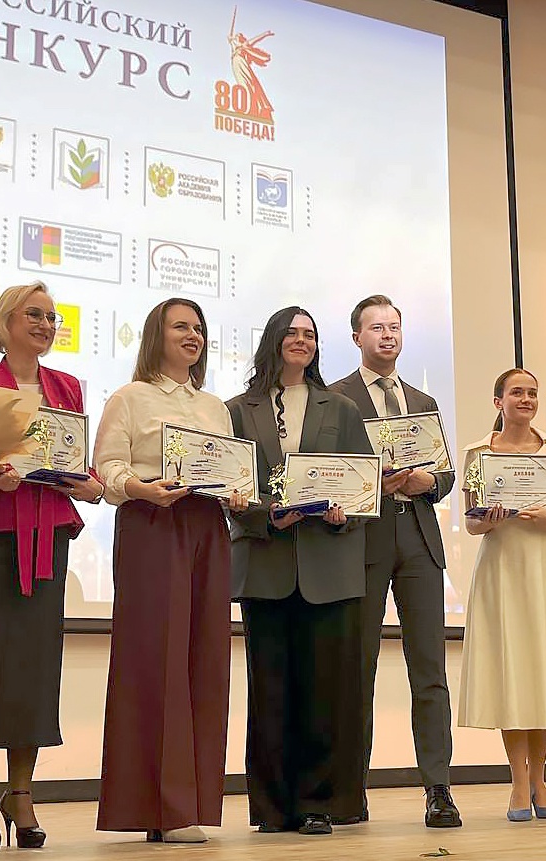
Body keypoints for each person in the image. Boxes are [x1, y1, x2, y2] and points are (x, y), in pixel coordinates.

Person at [0, 281, 105, 851]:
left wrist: (87, 482)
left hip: (48, 537)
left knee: (34, 665)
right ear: (5, 322)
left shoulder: (67, 386)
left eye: (52, 317)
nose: (45, 325)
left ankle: (22, 792)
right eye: (34, 314)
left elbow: (72, 463)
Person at [93, 298, 248, 842]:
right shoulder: (129, 397)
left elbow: (229, 468)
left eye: (199, 328)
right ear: (156, 335)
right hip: (153, 523)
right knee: (155, 658)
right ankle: (159, 808)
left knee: (206, 658)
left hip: (208, 527)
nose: (193, 335)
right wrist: (140, 487)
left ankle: (194, 804)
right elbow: (107, 469)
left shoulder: (214, 407)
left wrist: (237, 492)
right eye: (181, 326)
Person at [226, 306, 373, 835]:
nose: (301, 341)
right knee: (268, 692)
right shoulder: (236, 410)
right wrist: (269, 515)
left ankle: (316, 803)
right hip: (266, 563)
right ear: (272, 340)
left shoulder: (343, 407)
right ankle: (270, 808)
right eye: (291, 333)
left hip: (328, 567)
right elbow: (231, 488)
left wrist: (344, 512)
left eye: (310, 334)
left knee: (322, 692)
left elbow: (364, 485)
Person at [328, 295, 460, 828]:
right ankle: (349, 789)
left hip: (419, 537)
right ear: (356, 337)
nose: (388, 335)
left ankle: (438, 788)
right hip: (364, 537)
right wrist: (367, 484)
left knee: (429, 670)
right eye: (377, 327)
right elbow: (328, 471)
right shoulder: (335, 397)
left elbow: (446, 475)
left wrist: (429, 480)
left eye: (395, 327)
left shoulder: (423, 399)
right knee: (357, 668)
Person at [458, 368, 546, 822]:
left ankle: (540, 781)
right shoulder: (478, 452)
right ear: (499, 401)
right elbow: (471, 524)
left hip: (545, 567)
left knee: (542, 673)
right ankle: (519, 783)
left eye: (533, 393)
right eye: (517, 392)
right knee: (512, 673)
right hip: (502, 569)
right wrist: (489, 518)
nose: (526, 399)